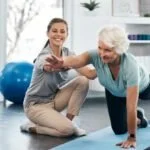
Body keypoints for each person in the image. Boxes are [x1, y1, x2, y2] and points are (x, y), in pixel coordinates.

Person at [46, 25, 149, 148]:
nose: (102, 53)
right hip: (115, 92)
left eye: (108, 50)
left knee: (131, 111)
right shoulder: (96, 56)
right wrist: (62, 62)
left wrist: (132, 137)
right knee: (119, 130)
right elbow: (77, 60)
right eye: (100, 48)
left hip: (144, 87)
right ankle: (140, 119)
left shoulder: (130, 65)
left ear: (119, 49)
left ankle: (135, 118)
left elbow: (131, 107)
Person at [20, 18, 97, 137]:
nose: (58, 34)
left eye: (62, 31)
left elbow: (90, 74)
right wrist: (57, 66)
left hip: (53, 100)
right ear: (48, 33)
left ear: (67, 34)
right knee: (67, 131)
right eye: (54, 31)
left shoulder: (68, 53)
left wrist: (107, 64)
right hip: (35, 105)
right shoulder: (44, 55)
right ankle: (31, 127)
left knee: (83, 81)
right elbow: (49, 66)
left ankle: (69, 122)